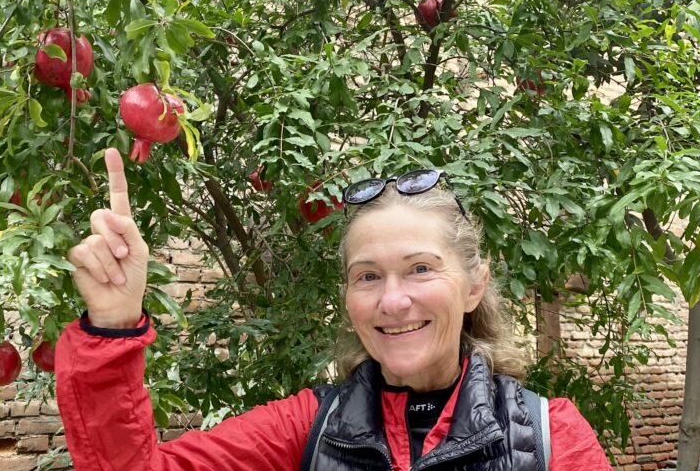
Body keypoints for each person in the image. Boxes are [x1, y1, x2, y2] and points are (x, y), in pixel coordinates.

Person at [56, 149, 613, 471]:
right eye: (368, 276)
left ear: (474, 287)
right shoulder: (307, 431)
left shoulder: (549, 438)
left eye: (420, 268)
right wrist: (112, 324)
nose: (393, 300)